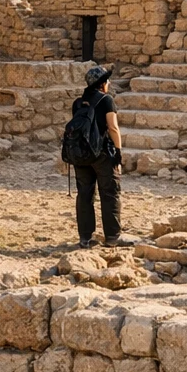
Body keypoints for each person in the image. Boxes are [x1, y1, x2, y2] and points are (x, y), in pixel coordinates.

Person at [71, 64, 127, 247]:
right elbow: (113, 127)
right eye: (107, 80)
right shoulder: (106, 100)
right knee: (110, 193)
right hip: (102, 154)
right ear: (102, 83)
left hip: (81, 155)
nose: (109, 83)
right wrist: (118, 153)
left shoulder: (78, 102)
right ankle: (112, 237)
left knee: (85, 194)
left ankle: (85, 238)